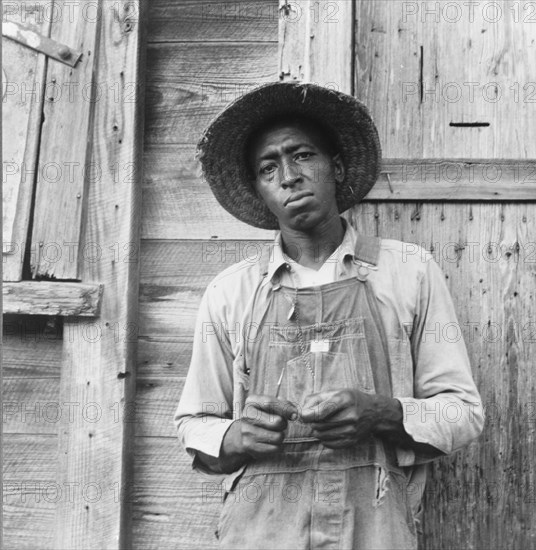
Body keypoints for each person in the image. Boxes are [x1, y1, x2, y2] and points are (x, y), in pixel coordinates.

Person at [174, 82, 484, 550]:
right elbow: (194, 423)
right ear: (260, 191)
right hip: (259, 531)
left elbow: (462, 414)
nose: (288, 176)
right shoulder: (231, 292)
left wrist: (382, 413)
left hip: (375, 526)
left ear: (335, 168)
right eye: (268, 167)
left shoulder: (409, 272)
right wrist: (237, 435)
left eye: (302, 156)